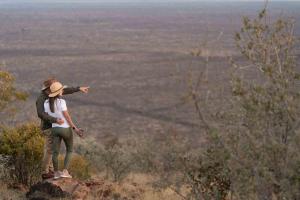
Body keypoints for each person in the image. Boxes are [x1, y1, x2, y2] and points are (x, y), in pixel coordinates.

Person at [36, 78, 89, 179]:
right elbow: (40, 114)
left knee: (52, 150)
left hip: (55, 127)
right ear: (48, 88)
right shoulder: (41, 99)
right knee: (49, 150)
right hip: (49, 127)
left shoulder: (51, 94)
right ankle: (45, 172)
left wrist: (78, 89)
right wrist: (55, 119)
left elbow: (65, 90)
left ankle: (51, 170)